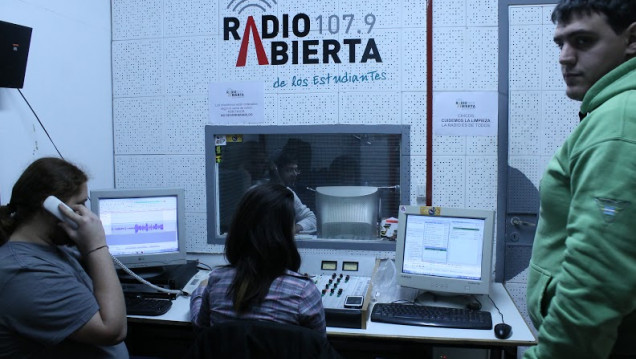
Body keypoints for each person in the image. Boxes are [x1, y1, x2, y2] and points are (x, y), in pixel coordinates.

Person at [524, 1, 636, 358]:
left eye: (583, 41)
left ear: (631, 40)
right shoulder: (612, 111)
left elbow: (596, 279)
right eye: (561, 44)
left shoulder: (617, 121)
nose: (565, 57)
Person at [0, 157, 128, 358]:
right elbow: (112, 331)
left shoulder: (54, 249)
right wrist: (97, 246)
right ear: (51, 208)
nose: (87, 215)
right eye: (80, 205)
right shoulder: (25, 272)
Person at [190, 183, 326, 336]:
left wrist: (201, 289)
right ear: (285, 235)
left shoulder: (216, 282)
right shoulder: (304, 292)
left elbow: (200, 327)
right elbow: (319, 348)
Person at [273, 150, 317, 234]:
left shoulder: (289, 193)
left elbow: (311, 218)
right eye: (289, 170)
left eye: (296, 170)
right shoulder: (258, 191)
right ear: (276, 171)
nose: (294, 174)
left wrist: (294, 229)